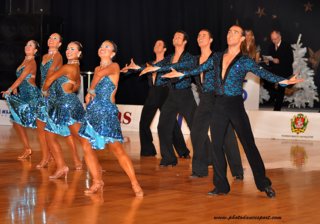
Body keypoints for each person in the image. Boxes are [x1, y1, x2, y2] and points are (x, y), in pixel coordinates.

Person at [206, 25, 302, 198]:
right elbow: (199, 69)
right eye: (228, 31)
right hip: (219, 105)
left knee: (248, 145)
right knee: (216, 145)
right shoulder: (217, 56)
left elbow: (263, 73)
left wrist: (284, 81)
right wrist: (180, 74)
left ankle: (263, 184)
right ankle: (221, 186)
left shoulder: (244, 60)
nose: (230, 34)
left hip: (235, 106)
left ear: (242, 38)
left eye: (235, 32)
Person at [162, 29, 243, 179]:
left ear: (211, 40)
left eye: (204, 35)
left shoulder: (217, 57)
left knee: (227, 136)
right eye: (198, 35)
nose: (200, 37)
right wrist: (152, 67)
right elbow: (177, 66)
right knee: (196, 133)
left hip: (218, 100)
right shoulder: (195, 59)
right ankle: (199, 170)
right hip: (205, 100)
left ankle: (237, 172)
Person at [78, 40, 143, 197]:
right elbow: (97, 73)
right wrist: (90, 94)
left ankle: (135, 183)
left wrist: (90, 90)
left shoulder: (114, 66)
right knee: (86, 146)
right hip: (92, 111)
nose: (102, 48)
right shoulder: (96, 68)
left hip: (107, 113)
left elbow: (100, 75)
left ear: (113, 53)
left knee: (117, 150)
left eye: (107, 47)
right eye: (101, 46)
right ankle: (97, 181)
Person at [121, 40, 190, 158]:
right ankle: (148, 150)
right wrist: (127, 70)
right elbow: (137, 69)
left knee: (171, 123)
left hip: (164, 92)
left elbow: (169, 69)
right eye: (155, 44)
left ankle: (183, 152)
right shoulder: (149, 63)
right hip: (152, 93)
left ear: (164, 49)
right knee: (143, 122)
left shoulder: (168, 61)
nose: (156, 45)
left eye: (159, 44)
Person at [140, 30, 197, 167]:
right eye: (174, 36)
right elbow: (157, 66)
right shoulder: (169, 57)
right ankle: (169, 158)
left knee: (196, 127)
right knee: (163, 126)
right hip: (171, 95)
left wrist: (161, 68)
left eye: (179, 36)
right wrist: (137, 67)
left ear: (184, 42)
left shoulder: (189, 57)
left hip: (184, 95)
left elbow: (179, 66)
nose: (175, 37)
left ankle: (208, 157)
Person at [36, 33, 83, 170]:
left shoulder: (58, 56)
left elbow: (50, 76)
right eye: (50, 37)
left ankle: (73, 158)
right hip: (45, 92)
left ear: (60, 44)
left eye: (55, 39)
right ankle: (48, 157)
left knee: (64, 130)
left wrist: (46, 91)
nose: (51, 40)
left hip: (52, 94)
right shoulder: (45, 56)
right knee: (44, 128)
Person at [1, 40, 41, 159]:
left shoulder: (32, 62)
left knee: (40, 125)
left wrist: (10, 89)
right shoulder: (25, 60)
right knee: (16, 121)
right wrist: (16, 89)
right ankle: (27, 148)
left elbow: (21, 78)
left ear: (35, 51)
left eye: (31, 46)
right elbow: (20, 79)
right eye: (27, 44)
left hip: (32, 96)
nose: (27, 47)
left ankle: (50, 153)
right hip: (23, 94)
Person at [264, 30, 294, 111]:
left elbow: (290, 60)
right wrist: (268, 61)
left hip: (285, 71)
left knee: (281, 89)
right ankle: (272, 100)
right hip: (274, 71)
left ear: (280, 37)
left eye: (276, 39)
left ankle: (277, 109)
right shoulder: (271, 46)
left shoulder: (286, 46)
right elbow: (271, 61)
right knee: (267, 83)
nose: (274, 41)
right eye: (272, 39)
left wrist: (279, 61)